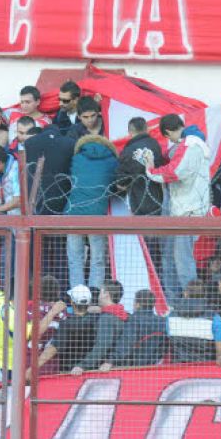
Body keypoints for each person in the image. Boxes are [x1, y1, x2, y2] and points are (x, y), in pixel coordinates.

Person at [141, 115, 210, 299]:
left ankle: (193, 302)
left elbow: (175, 171)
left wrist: (150, 170)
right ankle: (176, 299)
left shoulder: (191, 144)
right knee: (172, 258)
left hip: (188, 211)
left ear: (169, 132)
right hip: (183, 209)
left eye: (168, 137)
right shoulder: (190, 143)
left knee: (182, 260)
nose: (170, 142)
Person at [65, 135, 117, 287]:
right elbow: (114, 185)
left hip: (74, 213)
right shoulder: (112, 161)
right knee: (98, 258)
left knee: (75, 258)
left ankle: (77, 296)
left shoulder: (77, 158)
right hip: (97, 214)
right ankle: (94, 295)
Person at [31, 285, 97, 375]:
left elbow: (54, 347)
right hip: (92, 371)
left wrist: (33, 368)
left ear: (72, 302)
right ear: (89, 303)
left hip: (69, 372)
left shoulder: (66, 324)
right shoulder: (97, 320)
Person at [70, 280, 128, 375]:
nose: (98, 296)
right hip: (118, 366)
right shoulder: (123, 314)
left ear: (106, 294)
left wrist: (82, 365)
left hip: (105, 369)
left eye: (101, 292)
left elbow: (102, 346)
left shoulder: (107, 318)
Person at [115, 116, 164, 216]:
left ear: (130, 132)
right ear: (146, 129)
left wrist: (121, 185)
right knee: (155, 228)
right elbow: (161, 166)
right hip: (156, 194)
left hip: (137, 196)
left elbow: (121, 179)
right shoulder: (155, 144)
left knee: (141, 227)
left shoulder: (128, 150)